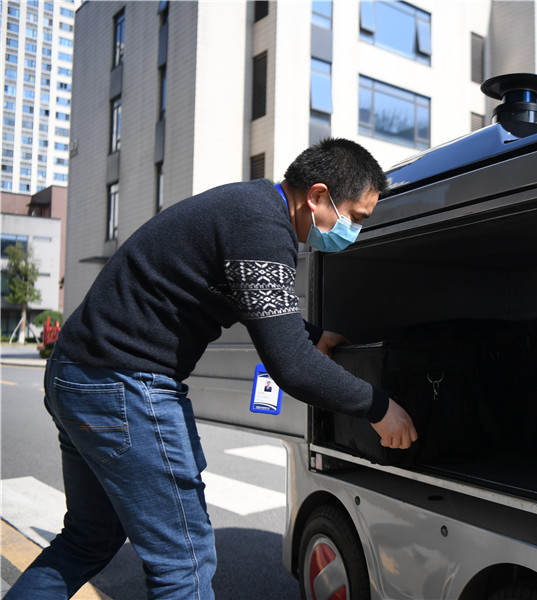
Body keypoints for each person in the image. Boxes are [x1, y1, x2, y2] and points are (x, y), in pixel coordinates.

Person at [7, 138, 418, 599]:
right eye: (355, 218)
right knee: (185, 561)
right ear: (318, 196)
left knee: (88, 538)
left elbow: (250, 303)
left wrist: (310, 333)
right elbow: (292, 368)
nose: (353, 232)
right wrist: (379, 406)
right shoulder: (262, 226)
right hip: (124, 384)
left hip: (78, 375)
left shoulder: (249, 208)